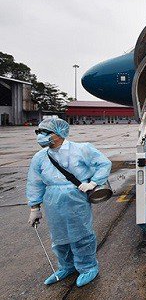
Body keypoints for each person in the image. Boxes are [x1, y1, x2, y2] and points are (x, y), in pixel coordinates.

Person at [26, 117, 111, 287]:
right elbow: (35, 182)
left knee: (81, 234)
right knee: (59, 236)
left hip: (76, 198)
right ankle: (66, 266)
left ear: (59, 133)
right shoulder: (40, 157)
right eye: (38, 132)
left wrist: (93, 183)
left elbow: (104, 164)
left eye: (45, 132)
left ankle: (88, 267)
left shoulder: (81, 149)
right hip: (52, 200)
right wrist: (34, 207)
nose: (40, 136)